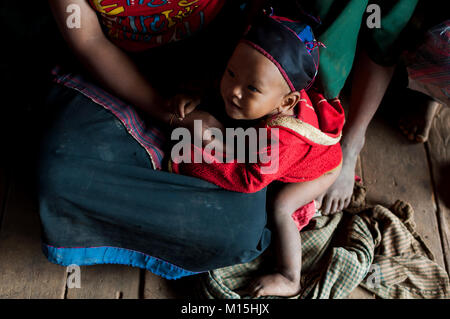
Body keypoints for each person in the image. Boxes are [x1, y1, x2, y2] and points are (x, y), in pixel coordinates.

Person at [38, 0, 276, 279]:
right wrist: (173, 118)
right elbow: (89, 41)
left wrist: (214, 86)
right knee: (62, 175)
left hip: (217, 70)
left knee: (241, 226)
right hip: (112, 73)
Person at [168, 15, 344, 297]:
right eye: (231, 73)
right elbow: (224, 84)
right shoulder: (258, 84)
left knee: (281, 205)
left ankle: (289, 276)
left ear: (286, 102)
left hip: (322, 168)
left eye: (251, 89)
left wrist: (193, 160)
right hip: (281, 146)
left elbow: (249, 178)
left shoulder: (281, 140)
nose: (234, 91)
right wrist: (196, 95)